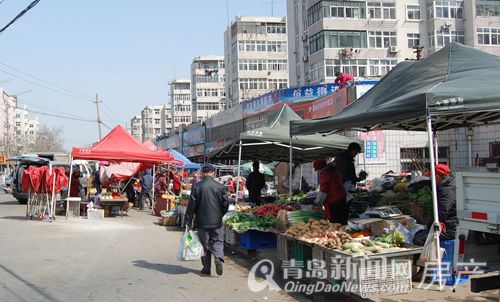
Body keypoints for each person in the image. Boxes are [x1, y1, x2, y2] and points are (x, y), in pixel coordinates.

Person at [185, 164, 230, 276]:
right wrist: (220, 214)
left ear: (202, 173)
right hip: (217, 221)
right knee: (217, 241)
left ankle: (206, 268)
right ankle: (218, 258)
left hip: (201, 222)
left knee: (204, 245)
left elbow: (191, 206)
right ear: (213, 173)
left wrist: (188, 222)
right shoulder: (220, 187)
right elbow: (226, 204)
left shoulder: (197, 186)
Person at [413, 164, 457, 245]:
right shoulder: (450, 185)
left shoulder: (446, 190)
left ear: (437, 176)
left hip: (450, 229)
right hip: (451, 226)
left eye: (431, 177)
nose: (431, 179)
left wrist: (428, 226)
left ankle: (430, 257)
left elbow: (441, 213)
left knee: (418, 239)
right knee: (419, 234)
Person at [313, 159, 348, 225]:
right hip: (342, 199)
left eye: (317, 170)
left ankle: (338, 234)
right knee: (343, 221)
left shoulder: (324, 174)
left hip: (334, 201)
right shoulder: (334, 171)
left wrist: (317, 202)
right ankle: (344, 233)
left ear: (319, 168)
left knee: (335, 223)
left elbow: (323, 190)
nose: (317, 172)